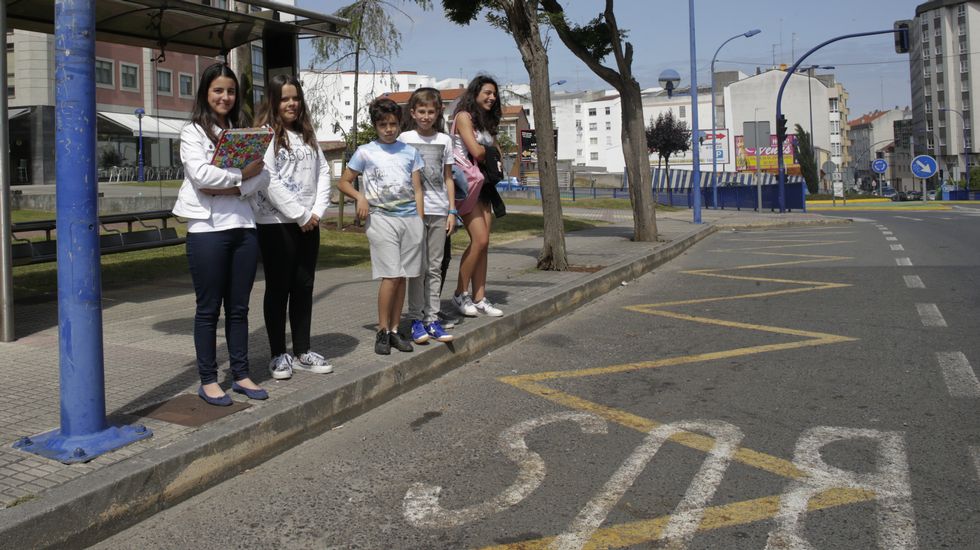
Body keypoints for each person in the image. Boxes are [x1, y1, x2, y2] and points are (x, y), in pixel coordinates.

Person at [173, 63, 269, 406]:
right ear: (205, 93)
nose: (225, 97)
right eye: (218, 90)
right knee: (208, 309)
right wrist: (241, 176)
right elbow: (200, 176)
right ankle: (209, 379)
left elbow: (264, 176)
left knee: (239, 309)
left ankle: (241, 374)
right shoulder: (192, 132)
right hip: (207, 231)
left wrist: (231, 185)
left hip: (244, 228)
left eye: (230, 91)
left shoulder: (245, 133)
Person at [252, 74, 334, 380]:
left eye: (295, 98)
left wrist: (316, 212)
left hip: (308, 224)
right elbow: (267, 180)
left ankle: (302, 351)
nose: (291, 104)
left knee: (304, 287)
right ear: (273, 101)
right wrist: (300, 215)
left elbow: (324, 171)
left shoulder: (306, 134)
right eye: (285, 98)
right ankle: (278, 354)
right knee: (278, 290)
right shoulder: (266, 135)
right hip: (276, 225)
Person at [335, 98, 425, 355]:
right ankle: (382, 330)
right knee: (391, 275)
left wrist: (418, 220)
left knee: (403, 276)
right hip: (381, 219)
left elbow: (417, 189)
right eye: (383, 124)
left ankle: (396, 329)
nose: (389, 129)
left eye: (393, 124)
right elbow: (343, 182)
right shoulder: (365, 151)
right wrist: (360, 197)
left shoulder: (410, 152)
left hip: (409, 220)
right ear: (375, 125)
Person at [398, 88, 456, 345]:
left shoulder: (445, 140)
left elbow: (448, 177)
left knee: (435, 267)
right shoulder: (404, 138)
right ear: (413, 112)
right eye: (421, 111)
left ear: (438, 112)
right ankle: (415, 320)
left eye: (431, 111)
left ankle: (432, 318)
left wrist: (452, 210)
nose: (426, 116)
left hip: (439, 210)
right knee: (416, 269)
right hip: (413, 211)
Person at [451, 75, 504, 318]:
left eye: (494, 94)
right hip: (468, 184)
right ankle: (460, 293)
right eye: (487, 93)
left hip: (485, 184)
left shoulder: (486, 122)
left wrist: (492, 152)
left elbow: (495, 151)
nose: (492, 97)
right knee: (479, 240)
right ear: (475, 93)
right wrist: (491, 152)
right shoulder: (464, 116)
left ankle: (480, 297)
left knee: (484, 245)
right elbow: (477, 151)